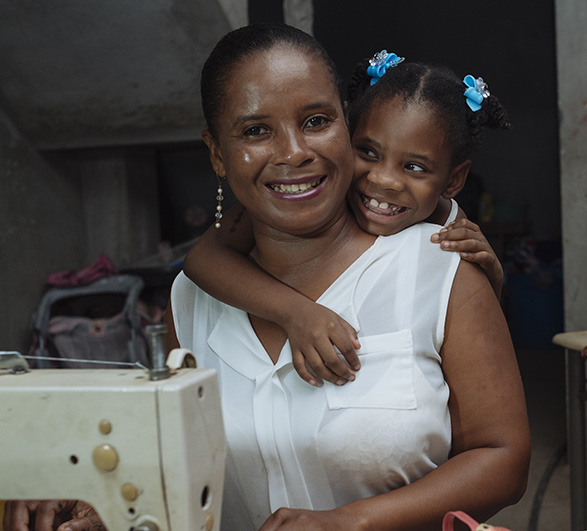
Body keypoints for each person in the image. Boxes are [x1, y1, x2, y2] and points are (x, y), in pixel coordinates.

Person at [3, 24, 530, 531]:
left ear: (345, 124)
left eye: (316, 121)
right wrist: (100, 497)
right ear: (218, 154)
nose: (294, 152)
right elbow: (183, 461)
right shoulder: (191, 299)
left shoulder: (441, 269)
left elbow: (502, 460)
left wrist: (350, 525)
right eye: (257, 130)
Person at [182, 50, 510, 387]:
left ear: (452, 182)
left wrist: (491, 282)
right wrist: (295, 312)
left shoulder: (448, 227)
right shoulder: (298, 200)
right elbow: (201, 259)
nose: (383, 180)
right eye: (367, 152)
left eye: (413, 167)